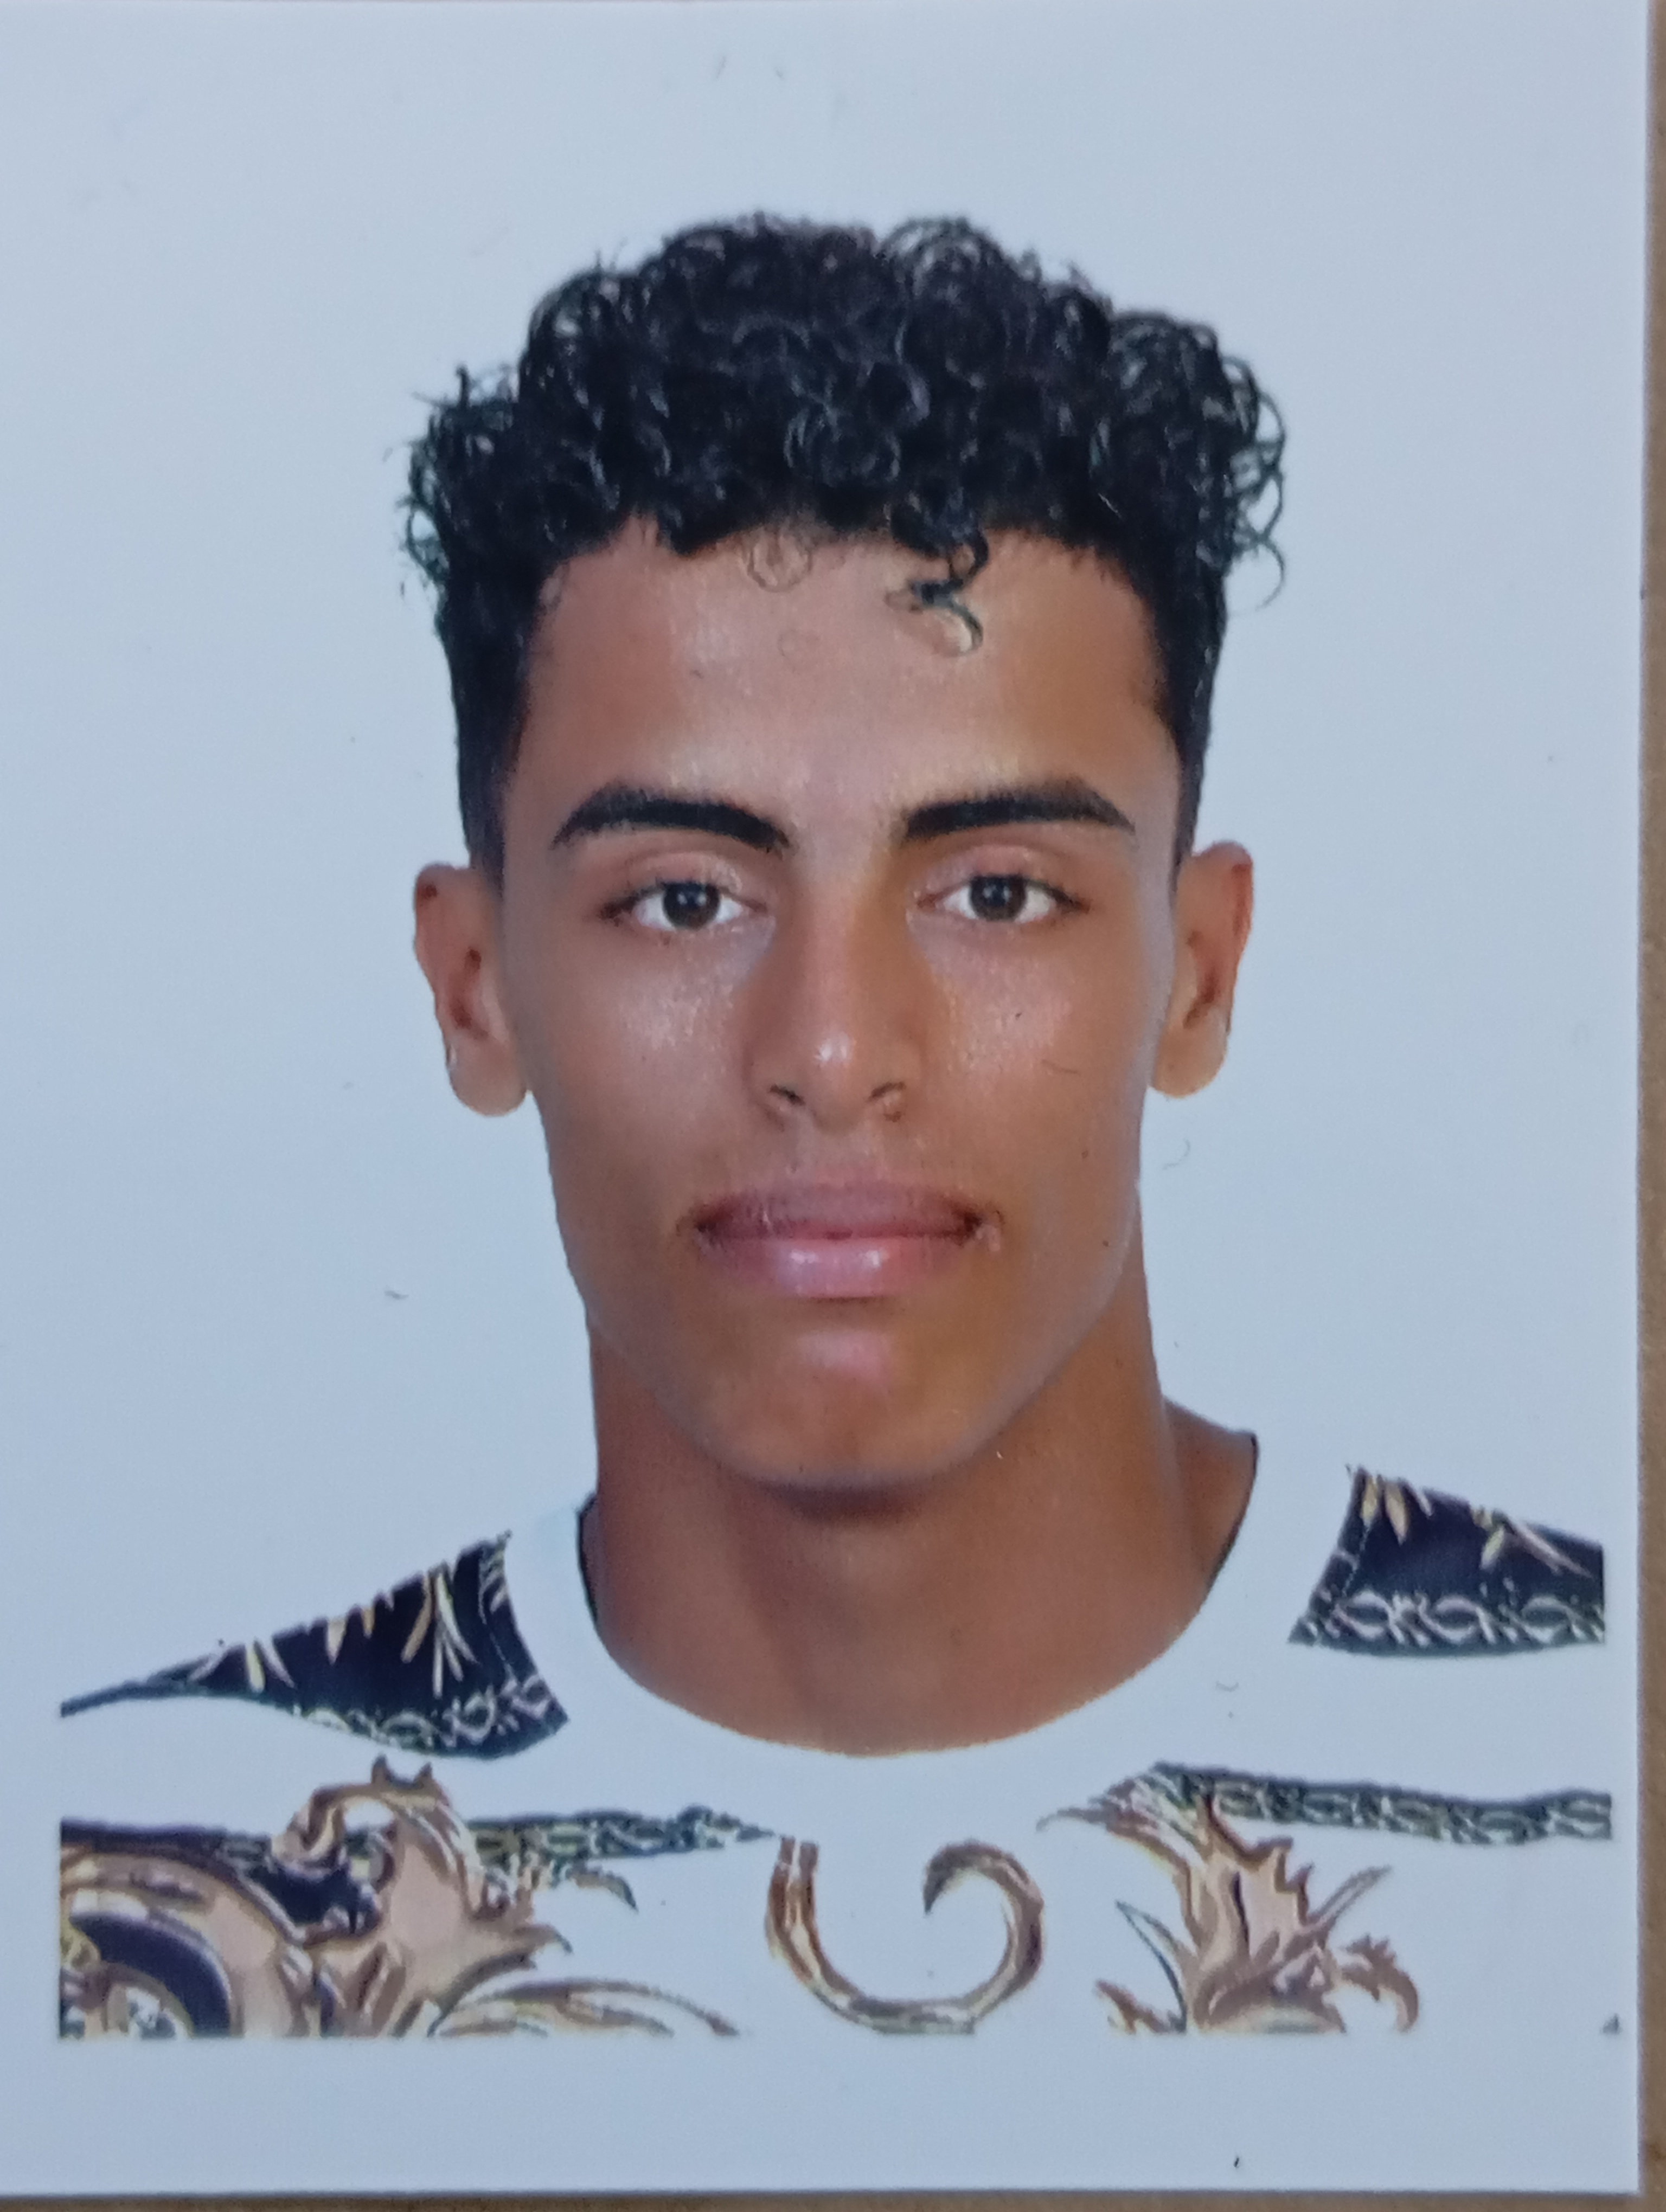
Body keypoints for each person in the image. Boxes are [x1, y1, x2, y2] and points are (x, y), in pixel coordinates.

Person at [60, 219, 1612, 2053]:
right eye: (687, 900)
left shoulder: (1601, 1765)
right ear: (476, 989)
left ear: (1197, 975)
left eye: (1000, 893)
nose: (835, 1050)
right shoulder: (129, 1885)